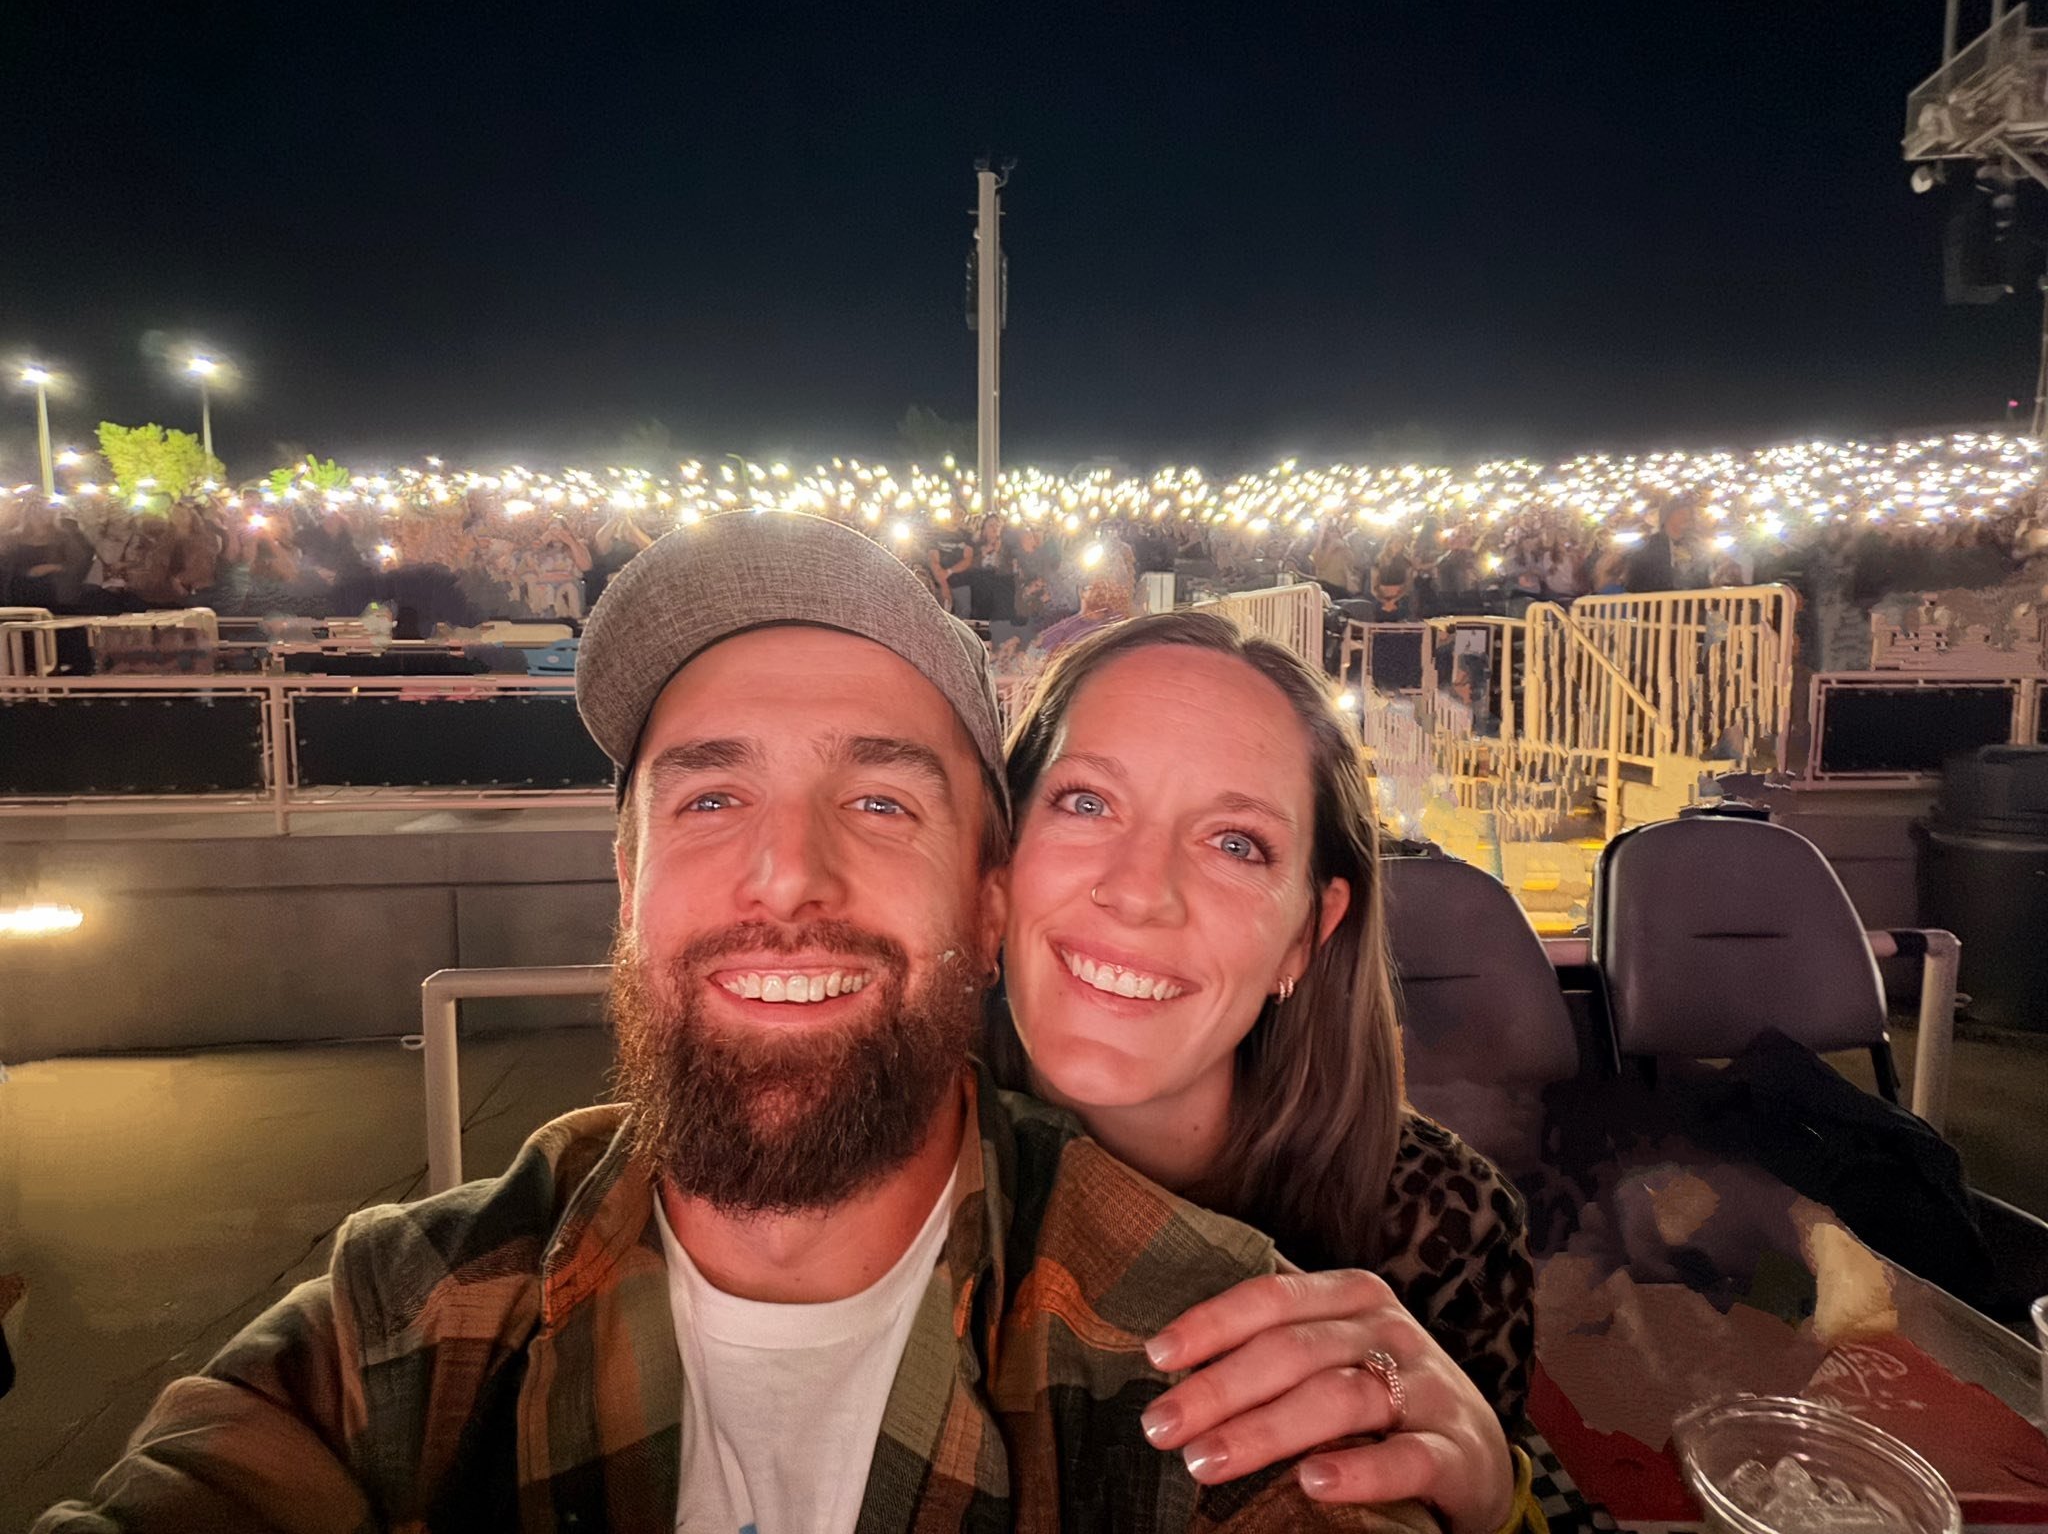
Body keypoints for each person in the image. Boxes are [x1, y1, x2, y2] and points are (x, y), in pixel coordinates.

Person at [38, 512, 1434, 1534]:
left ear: (990, 899)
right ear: (627, 879)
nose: (786, 875)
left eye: (881, 802)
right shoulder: (397, 1331)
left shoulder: (1207, 1358)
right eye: (710, 798)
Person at [986, 611, 1542, 1534]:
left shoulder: (1441, 1228)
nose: (1138, 891)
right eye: (1086, 802)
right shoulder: (896, 1144)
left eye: (1234, 843)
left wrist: (1490, 1496)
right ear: (1003, 848)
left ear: (1307, 934)